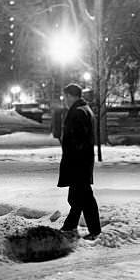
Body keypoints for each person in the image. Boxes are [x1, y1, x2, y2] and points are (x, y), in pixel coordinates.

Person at [57, 82, 101, 240]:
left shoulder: (77, 112)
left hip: (78, 162)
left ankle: (95, 230)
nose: (64, 101)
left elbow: (77, 139)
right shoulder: (85, 109)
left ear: (70, 96)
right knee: (76, 196)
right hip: (82, 161)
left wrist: (72, 154)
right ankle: (70, 225)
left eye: (65, 97)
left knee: (84, 196)